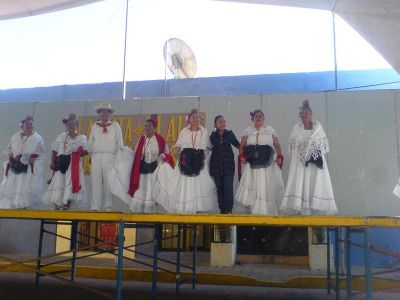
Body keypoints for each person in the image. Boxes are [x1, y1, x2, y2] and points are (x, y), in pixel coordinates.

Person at [153, 109, 217, 213]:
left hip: (199, 163)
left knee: (198, 186)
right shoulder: (184, 132)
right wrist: (168, 157)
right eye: (193, 117)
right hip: (185, 162)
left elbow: (210, 147)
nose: (196, 119)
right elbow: (178, 148)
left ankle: (196, 210)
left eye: (197, 117)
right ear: (189, 120)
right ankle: (186, 209)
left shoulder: (204, 132)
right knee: (186, 185)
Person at [280, 100, 337, 215]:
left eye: (306, 112)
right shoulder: (297, 127)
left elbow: (323, 145)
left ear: (311, 114)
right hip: (300, 162)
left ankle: (314, 206)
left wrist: (310, 149)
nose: (304, 114)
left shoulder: (318, 127)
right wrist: (303, 148)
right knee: (300, 181)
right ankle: (301, 207)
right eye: (301, 113)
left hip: (315, 162)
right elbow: (292, 144)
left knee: (314, 181)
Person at [109, 115, 174, 212]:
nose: (146, 128)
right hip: (143, 170)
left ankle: (151, 216)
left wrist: (163, 156)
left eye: (149, 126)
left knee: (152, 194)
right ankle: (140, 215)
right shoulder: (141, 139)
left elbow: (166, 153)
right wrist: (125, 151)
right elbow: (136, 154)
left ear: (154, 128)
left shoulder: (160, 140)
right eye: (145, 126)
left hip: (154, 171)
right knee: (141, 192)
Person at [235, 110, 284, 215]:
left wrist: (280, 156)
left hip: (268, 163)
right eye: (256, 116)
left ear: (263, 118)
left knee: (266, 185)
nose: (258, 118)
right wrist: (242, 156)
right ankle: (256, 210)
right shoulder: (248, 131)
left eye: (260, 116)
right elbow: (241, 146)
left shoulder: (270, 130)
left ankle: (268, 211)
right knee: (255, 184)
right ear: (253, 118)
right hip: (253, 162)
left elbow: (277, 144)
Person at [43, 114, 88, 210]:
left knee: (71, 183)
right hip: (61, 163)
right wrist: (52, 163)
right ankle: (58, 203)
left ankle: (67, 203)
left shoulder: (81, 138)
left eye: (73, 124)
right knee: (59, 182)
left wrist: (76, 155)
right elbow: (54, 151)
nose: (71, 126)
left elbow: (86, 151)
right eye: (69, 124)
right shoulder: (61, 136)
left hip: (73, 164)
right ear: (66, 126)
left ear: (76, 125)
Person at [0, 116, 45, 209]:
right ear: (22, 126)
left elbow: (40, 150)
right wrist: (11, 159)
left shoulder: (37, 138)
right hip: (15, 166)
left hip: (28, 166)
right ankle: (13, 204)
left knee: (25, 184)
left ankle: (24, 204)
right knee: (13, 184)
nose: (29, 126)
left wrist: (32, 157)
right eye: (27, 124)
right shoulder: (15, 137)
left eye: (31, 124)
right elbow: (9, 149)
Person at [88, 103, 124, 211]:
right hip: (96, 155)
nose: (104, 113)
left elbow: (120, 143)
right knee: (95, 182)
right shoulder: (94, 126)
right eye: (102, 111)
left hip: (110, 156)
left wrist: (117, 159)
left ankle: (107, 207)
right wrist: (92, 155)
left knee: (108, 183)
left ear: (110, 114)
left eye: (106, 111)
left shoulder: (115, 126)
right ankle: (95, 206)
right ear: (99, 113)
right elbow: (90, 143)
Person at [210, 115, 240, 214]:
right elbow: (213, 146)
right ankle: (222, 210)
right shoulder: (212, 135)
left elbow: (238, 145)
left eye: (224, 121)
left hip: (228, 166)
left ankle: (229, 209)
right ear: (215, 124)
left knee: (228, 188)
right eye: (220, 122)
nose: (223, 123)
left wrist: (244, 154)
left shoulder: (230, 134)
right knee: (220, 188)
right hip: (216, 166)